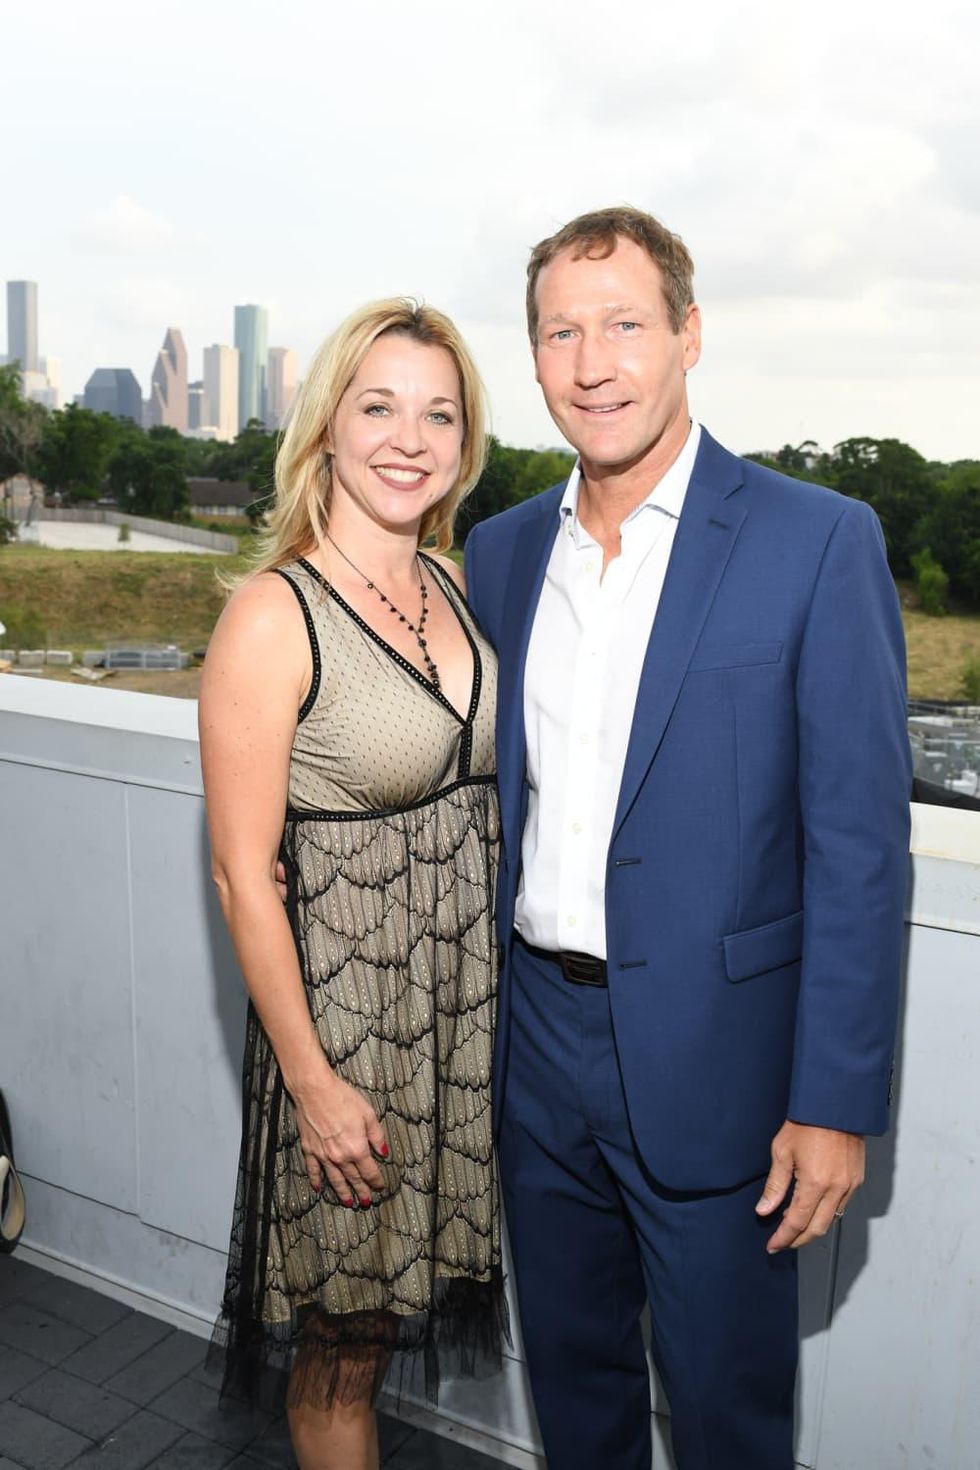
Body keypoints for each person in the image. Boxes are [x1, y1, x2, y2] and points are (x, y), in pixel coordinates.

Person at [463, 207, 912, 1470]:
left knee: (724, 1419)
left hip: (720, 1074)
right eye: (560, 332)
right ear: (535, 357)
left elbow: (860, 854)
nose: (591, 362)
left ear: (688, 337)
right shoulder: (498, 553)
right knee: (576, 1395)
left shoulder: (815, 542)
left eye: (622, 325)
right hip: (534, 1051)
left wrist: (832, 1102)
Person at [199, 299, 506, 1470]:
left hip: (451, 1030)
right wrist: (312, 1083)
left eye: (438, 412)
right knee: (335, 1356)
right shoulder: (272, 617)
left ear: (463, 441)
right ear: (326, 423)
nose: (407, 437)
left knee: (375, 1338)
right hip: (346, 1035)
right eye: (377, 405)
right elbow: (241, 875)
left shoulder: (457, 586)